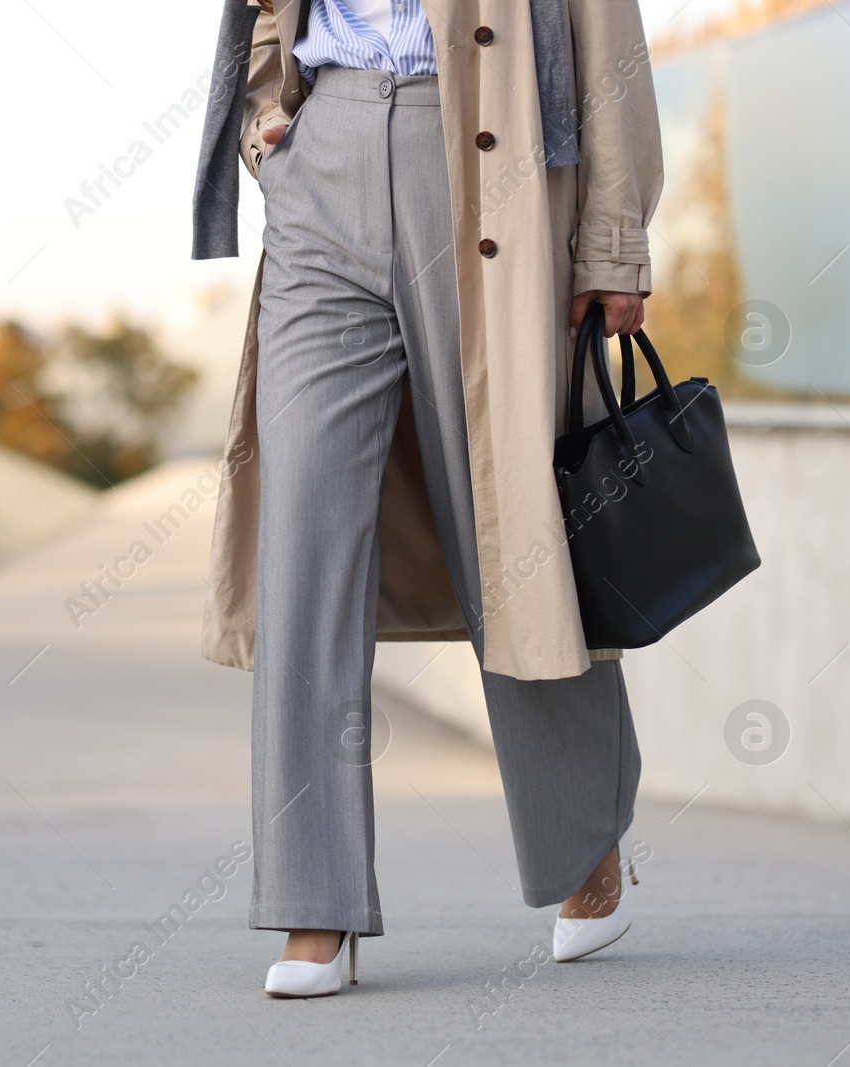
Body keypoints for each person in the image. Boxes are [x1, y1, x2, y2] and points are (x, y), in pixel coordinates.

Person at [191, 0, 663, 996]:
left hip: (488, 156)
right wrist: (261, 122)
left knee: (513, 529)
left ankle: (584, 843)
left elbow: (603, 36)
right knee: (302, 541)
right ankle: (310, 898)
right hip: (324, 163)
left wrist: (612, 242)